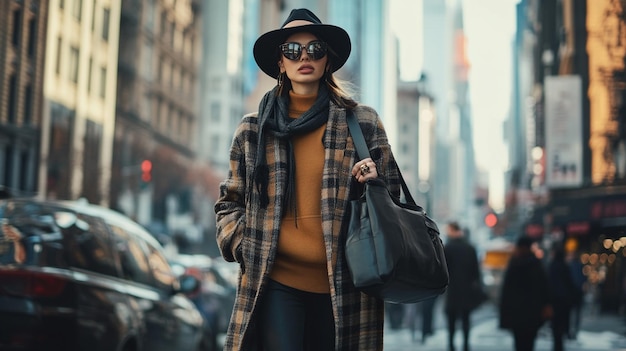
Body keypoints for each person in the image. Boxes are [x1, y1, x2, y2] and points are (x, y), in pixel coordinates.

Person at [214, 8, 403, 350]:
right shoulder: (253, 130)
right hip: (275, 284)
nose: (304, 57)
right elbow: (229, 204)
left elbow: (393, 205)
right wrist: (245, 245)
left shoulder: (361, 123)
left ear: (327, 61)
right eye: (292, 50)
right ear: (280, 63)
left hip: (348, 285)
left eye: (315, 49)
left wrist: (374, 182)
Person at [499, 236, 552, 351]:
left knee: (519, 343)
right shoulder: (537, 265)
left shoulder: (514, 265)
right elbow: (545, 289)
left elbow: (506, 292)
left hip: (516, 313)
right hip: (533, 313)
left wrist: (504, 316)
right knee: (529, 343)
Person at [443, 221, 483, 351]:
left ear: (453, 230)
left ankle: (451, 345)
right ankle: (466, 345)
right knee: (466, 320)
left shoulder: (447, 248)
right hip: (466, 290)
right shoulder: (470, 248)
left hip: (452, 290)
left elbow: (443, 270)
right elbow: (476, 272)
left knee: (451, 321)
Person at [548, 245, 577, 351]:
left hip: (555, 300)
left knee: (556, 326)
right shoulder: (565, 267)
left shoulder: (552, 266)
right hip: (564, 301)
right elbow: (570, 283)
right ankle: (559, 344)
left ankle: (557, 345)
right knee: (562, 324)